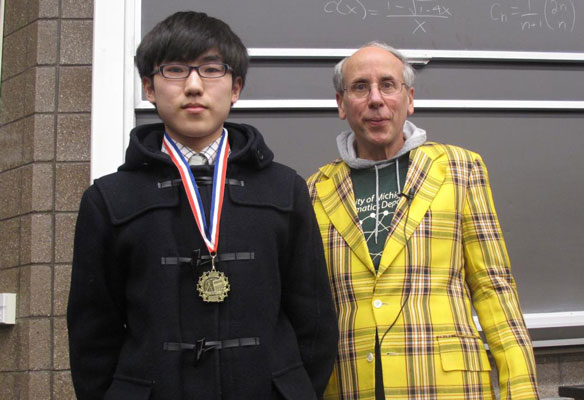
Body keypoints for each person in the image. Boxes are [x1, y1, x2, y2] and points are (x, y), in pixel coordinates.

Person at [67, 11, 337, 400]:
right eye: (174, 70)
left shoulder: (284, 189)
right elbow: (93, 334)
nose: (194, 86)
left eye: (212, 69)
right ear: (148, 86)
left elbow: (314, 320)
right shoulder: (109, 199)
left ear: (236, 87)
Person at [307, 41, 538, 400]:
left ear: (409, 98)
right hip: (353, 384)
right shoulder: (314, 190)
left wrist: (520, 390)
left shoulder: (459, 169)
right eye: (359, 87)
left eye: (387, 85)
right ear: (341, 104)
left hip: (448, 385)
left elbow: (494, 287)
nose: (375, 99)